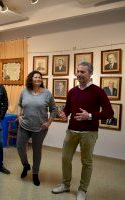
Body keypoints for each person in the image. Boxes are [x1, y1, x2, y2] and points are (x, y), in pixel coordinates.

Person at [52, 62, 113, 200]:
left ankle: (82, 190)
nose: (79, 74)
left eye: (82, 72)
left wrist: (90, 115)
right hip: (71, 131)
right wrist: (64, 114)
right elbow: (68, 108)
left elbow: (109, 113)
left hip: (89, 133)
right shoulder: (72, 91)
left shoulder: (98, 91)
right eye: (78, 71)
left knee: (86, 162)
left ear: (90, 73)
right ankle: (65, 185)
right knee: (65, 159)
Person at [17, 71, 57, 186]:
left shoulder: (47, 93)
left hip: (40, 128)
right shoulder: (24, 91)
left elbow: (53, 109)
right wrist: (18, 115)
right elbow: (19, 104)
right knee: (20, 147)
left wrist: (49, 123)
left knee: (37, 151)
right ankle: (25, 165)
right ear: (31, 79)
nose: (38, 79)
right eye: (35, 77)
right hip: (24, 125)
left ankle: (35, 174)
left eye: (40, 77)